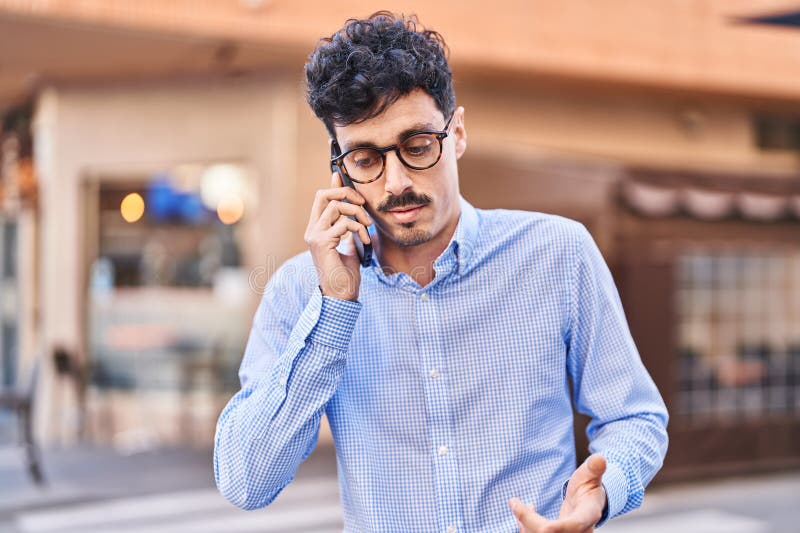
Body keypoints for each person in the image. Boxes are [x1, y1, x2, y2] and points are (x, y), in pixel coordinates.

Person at [214, 11, 668, 533]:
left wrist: (599, 495)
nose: (396, 182)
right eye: (365, 159)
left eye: (417, 146)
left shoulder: (558, 253)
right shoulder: (301, 289)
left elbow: (635, 417)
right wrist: (334, 309)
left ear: (458, 134)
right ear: (339, 166)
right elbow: (246, 480)